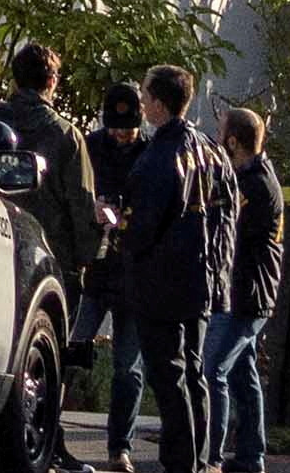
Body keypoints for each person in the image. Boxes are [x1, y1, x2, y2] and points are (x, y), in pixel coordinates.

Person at [0, 44, 107, 468]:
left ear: (15, 78)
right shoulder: (66, 136)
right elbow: (81, 204)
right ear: (52, 82)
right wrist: (87, 258)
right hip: (50, 260)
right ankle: (45, 440)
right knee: (48, 359)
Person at [118, 65, 230, 473]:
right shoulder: (209, 150)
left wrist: (120, 232)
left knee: (168, 376)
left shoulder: (159, 158)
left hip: (161, 282)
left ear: (159, 104)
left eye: (146, 96)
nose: (142, 102)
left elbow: (142, 226)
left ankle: (181, 461)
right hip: (201, 278)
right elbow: (226, 215)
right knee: (194, 372)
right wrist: (220, 275)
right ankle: (199, 458)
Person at [204, 105, 281, 473]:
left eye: (220, 132)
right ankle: (251, 456)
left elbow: (227, 229)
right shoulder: (252, 176)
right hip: (249, 292)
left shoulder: (254, 185)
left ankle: (210, 456)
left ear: (232, 141)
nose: (217, 138)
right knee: (242, 375)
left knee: (212, 370)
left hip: (245, 294)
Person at [91, 82, 151, 460]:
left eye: (127, 130)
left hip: (133, 273)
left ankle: (120, 448)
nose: (120, 136)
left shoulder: (150, 154)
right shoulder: (90, 147)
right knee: (68, 351)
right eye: (114, 128)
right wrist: (92, 209)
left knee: (128, 368)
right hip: (94, 269)